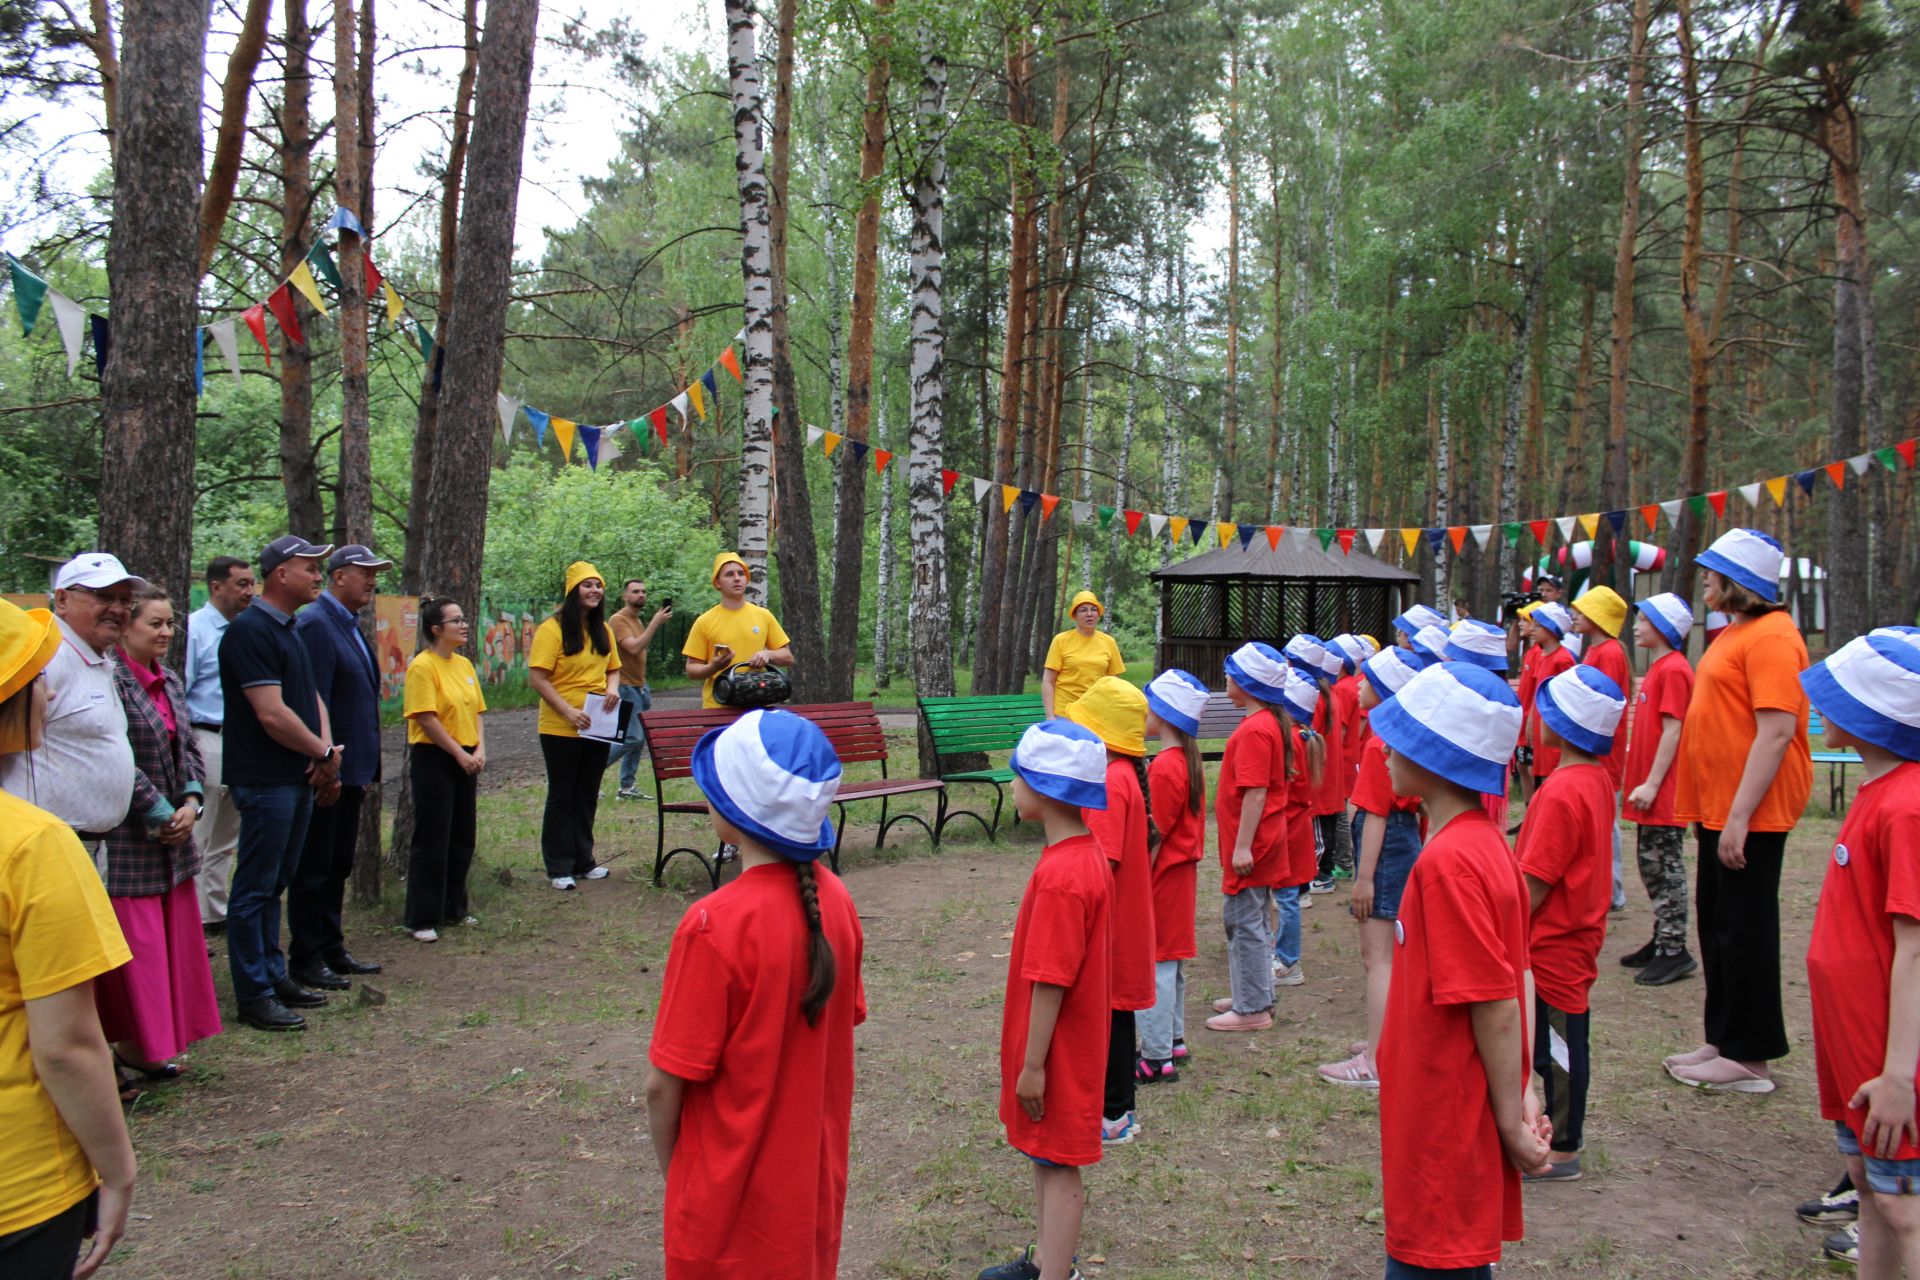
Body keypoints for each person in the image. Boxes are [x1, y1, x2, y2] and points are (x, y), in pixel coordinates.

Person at [644, 710, 864, 1279]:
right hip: (808, 1202)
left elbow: (663, 1089)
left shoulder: (712, 926)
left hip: (725, 1214)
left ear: (733, 812)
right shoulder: (836, 902)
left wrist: (685, 1182)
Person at [1368, 660, 1549, 1278]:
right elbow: (1518, 976)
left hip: (1445, 1116)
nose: (1385, 746)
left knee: (1435, 1257)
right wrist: (1523, 1085)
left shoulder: (1448, 863)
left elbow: (1495, 1001)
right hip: (1448, 1106)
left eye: (1402, 734)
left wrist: (1508, 1116)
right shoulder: (1489, 845)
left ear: (1436, 755)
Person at [0, 598, 138, 1280]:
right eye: (37, 676)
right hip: (18, 1184)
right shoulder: (32, 845)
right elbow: (67, 1045)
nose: (51, 689)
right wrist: (116, 1169)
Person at [1666, 528, 1811, 1093]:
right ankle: (1723, 1039)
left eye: (1713, 570)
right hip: (1720, 808)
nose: (1704, 578)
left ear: (1739, 582)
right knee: (1717, 924)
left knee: (1744, 930)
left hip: (1751, 812)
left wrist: (1742, 816)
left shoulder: (1774, 637)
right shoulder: (1738, 630)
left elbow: (1776, 732)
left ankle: (1752, 1059)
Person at [1800, 633, 1920, 1279]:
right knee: (1869, 1187)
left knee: (1904, 1208)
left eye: (1836, 694)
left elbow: (1916, 951)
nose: (1820, 703)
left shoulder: (1907, 808)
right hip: (1854, 1046)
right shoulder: (1880, 792)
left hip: (1889, 1054)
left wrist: (1901, 1075)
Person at [977, 719, 1111, 1280]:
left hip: (1058, 1052)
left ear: (1047, 789)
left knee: (1058, 1165)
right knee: (1046, 1154)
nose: (1012, 786)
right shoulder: (1085, 854)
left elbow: (1052, 979)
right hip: (1069, 1044)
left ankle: (1059, 1275)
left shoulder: (1062, 876)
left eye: (1019, 776)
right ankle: (1050, 1262)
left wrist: (1032, 1066)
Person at [96, 585, 222, 1082]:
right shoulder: (111, 682)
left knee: (171, 946)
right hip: (132, 839)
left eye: (170, 623)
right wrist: (161, 811)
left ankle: (154, 1048)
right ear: (126, 626)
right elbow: (116, 758)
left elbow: (187, 745)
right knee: (138, 951)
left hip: (176, 836)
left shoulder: (168, 679)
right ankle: (129, 1047)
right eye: (155, 623)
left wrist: (192, 801)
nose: (166, 632)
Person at [219, 535, 342, 1033]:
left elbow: (309, 697)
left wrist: (326, 753)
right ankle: (254, 992)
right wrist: (320, 752)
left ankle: (274, 974)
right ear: (280, 574)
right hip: (265, 777)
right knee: (254, 889)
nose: (317, 575)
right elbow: (271, 714)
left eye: (319, 567)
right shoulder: (249, 631)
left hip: (295, 775)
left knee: (277, 884)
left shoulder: (290, 628)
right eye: (309, 567)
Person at [1515, 666, 1626, 1183]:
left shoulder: (1560, 792)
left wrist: (1505, 922)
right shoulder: (1595, 780)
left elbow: (1536, 879)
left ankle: (1562, 1147)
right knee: (1563, 1039)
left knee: (1557, 1047)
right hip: (1574, 935)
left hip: (1555, 942)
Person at [1317, 645, 1426, 1090]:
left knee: (1377, 956)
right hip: (1398, 842)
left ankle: (1377, 1063)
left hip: (1386, 848)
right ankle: (1384, 1039)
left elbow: (1377, 814)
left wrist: (1363, 880)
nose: (1357, 685)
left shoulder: (1382, 742)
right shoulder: (1393, 734)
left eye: (1366, 680)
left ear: (1383, 691)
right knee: (1386, 955)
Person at [288, 545, 391, 991]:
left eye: (375, 574)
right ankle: (306, 955)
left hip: (352, 767)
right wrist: (324, 761)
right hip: (328, 769)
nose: (371, 581)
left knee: (337, 863)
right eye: (363, 573)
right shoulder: (315, 623)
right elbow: (313, 700)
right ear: (337, 576)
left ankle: (331, 946)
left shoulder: (347, 624)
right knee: (316, 865)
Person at [1061, 676, 1154, 1146]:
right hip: (1122, 918)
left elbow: (1103, 861)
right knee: (1115, 1013)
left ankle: (1115, 1112)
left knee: (1112, 1014)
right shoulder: (1122, 776)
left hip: (1112, 923)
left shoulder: (1113, 783)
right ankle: (1116, 1107)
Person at [0, 553, 143, 849]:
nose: (117, 609)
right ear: (62, 600)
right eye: (104, 596)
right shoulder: (47, 657)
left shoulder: (95, 656)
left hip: (83, 844)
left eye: (125, 600)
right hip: (41, 845)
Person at [1208, 643, 1310, 1034]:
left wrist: (1242, 845)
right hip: (1261, 839)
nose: (1227, 679)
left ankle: (1252, 1008)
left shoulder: (1256, 730)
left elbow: (1255, 792)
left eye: (1231, 673)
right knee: (1252, 921)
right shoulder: (1268, 722)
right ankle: (1255, 992)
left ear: (1247, 683)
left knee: (1243, 921)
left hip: (1254, 843)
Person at [530, 562, 623, 890]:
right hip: (561, 725)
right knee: (562, 794)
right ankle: (558, 866)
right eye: (588, 585)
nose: (595, 591)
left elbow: (613, 668)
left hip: (598, 722)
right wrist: (568, 711)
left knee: (587, 793)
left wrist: (612, 689)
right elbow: (538, 678)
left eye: (599, 585)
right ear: (573, 591)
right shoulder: (551, 629)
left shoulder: (604, 629)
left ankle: (584, 860)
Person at [1620, 592, 1698, 987]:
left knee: (1665, 867)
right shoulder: (1660, 668)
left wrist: (1652, 783)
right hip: (1652, 789)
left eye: (1645, 620)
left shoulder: (1674, 670)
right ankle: (1662, 936)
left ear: (1665, 628)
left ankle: (1674, 949)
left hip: (1665, 793)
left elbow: (1674, 730)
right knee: (1652, 865)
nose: (1637, 626)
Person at [1137, 670, 1209, 1085]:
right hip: (1181, 877)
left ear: (1162, 714)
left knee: (1157, 965)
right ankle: (1173, 1038)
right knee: (1172, 962)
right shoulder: (1186, 760)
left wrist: (1137, 883)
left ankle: (1156, 1055)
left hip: (1163, 877)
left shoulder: (1164, 767)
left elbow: (1155, 836)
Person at [403, 597, 487, 944]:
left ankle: (455, 906)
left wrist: (480, 749)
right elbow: (426, 716)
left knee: (462, 834)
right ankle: (422, 916)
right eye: (456, 620)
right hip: (435, 756)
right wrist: (458, 754)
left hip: (467, 755)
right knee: (433, 836)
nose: (464, 625)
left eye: (464, 618)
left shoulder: (464, 666)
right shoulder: (422, 666)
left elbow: (478, 711)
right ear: (436, 629)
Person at [184, 555, 254, 930]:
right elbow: (184, 688)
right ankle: (190, 917)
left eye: (250, 583)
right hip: (205, 736)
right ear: (216, 587)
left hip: (240, 742)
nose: (249, 591)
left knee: (228, 834)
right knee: (200, 830)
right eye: (240, 584)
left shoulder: (245, 629)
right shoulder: (195, 629)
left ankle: (215, 911)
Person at [1571, 585, 1631, 912]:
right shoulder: (1594, 651)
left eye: (1582, 611)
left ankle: (1613, 891)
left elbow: (1601, 702)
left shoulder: (1610, 653)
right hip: (1590, 747)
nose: (1575, 616)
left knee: (1607, 824)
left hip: (1603, 751)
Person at [682, 553, 791, 711]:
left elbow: (788, 657)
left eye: (741, 573)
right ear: (718, 583)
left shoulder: (763, 615)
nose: (737, 578)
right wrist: (713, 667)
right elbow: (692, 670)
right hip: (718, 707)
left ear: (746, 580)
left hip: (757, 706)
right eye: (729, 574)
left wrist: (768, 654)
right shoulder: (704, 621)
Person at [610, 579, 672, 801]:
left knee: (638, 741)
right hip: (624, 686)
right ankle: (590, 771)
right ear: (624, 596)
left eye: (644, 591)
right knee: (632, 738)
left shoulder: (636, 619)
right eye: (635, 591)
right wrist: (655, 623)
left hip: (640, 687)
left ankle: (627, 788)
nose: (641, 595)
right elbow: (634, 648)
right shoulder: (618, 620)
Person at [1041, 591, 1126, 719]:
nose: (1089, 614)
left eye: (1093, 609)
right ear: (1074, 615)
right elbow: (1048, 681)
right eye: (1083, 610)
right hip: (1065, 713)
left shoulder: (1109, 642)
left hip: (1097, 713)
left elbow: (1114, 683)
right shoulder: (1061, 640)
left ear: (1098, 614)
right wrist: (1050, 716)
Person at [1523, 603, 1578, 792]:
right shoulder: (1544, 657)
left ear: (1551, 628)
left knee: (1551, 776)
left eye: (1538, 625)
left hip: (1553, 730)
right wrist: (1531, 719)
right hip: (1541, 730)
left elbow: (1567, 700)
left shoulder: (1562, 659)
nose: (1532, 629)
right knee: (1539, 775)